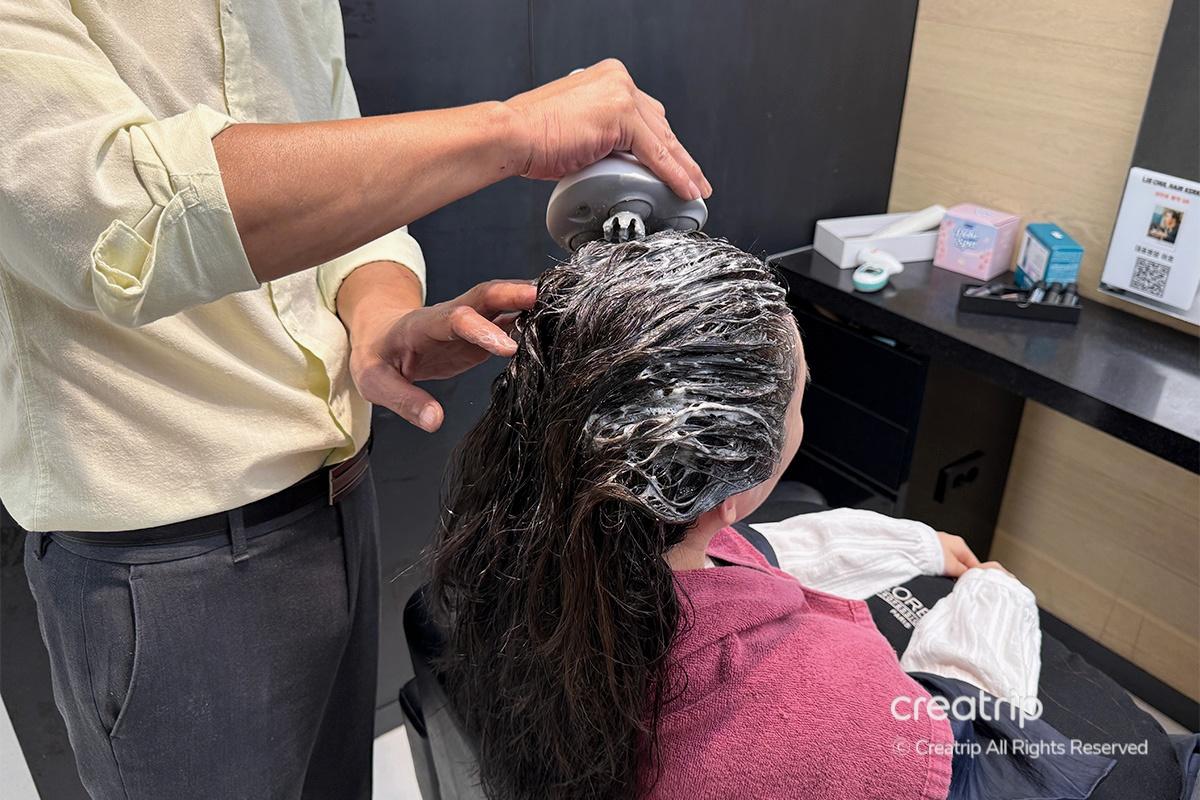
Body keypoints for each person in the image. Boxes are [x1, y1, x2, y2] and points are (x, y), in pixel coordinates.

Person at [0, 2, 709, 798]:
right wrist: (510, 130)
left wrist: (377, 318)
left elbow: (352, 204)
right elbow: (111, 214)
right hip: (165, 568)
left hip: (338, 506)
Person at [430, 231, 1169, 800]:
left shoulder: (517, 564)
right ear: (733, 483)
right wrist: (995, 597)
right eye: (800, 397)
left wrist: (918, 543)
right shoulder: (838, 702)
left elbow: (767, 551)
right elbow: (956, 733)